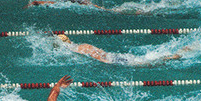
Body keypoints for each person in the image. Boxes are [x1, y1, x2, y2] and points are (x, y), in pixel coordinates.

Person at [55, 34, 186, 65]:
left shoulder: (78, 50)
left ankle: (176, 55)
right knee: (145, 61)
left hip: (116, 60)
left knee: (147, 64)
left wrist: (108, 65)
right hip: (116, 56)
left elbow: (100, 58)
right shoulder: (82, 45)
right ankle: (181, 52)